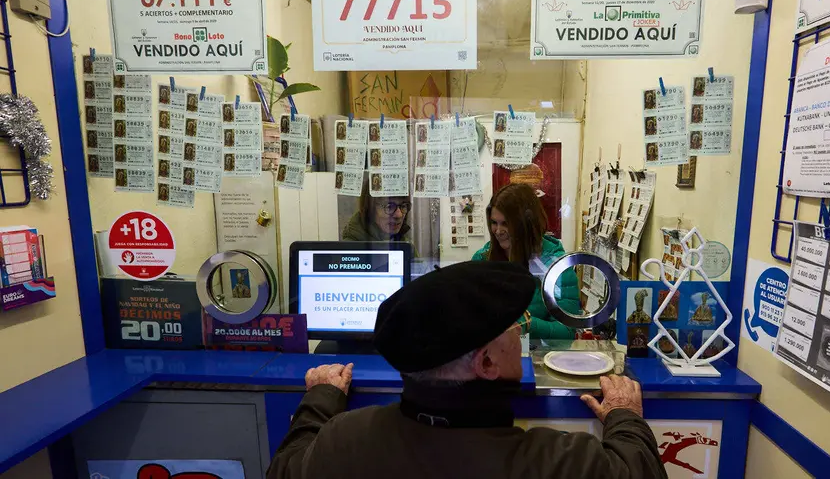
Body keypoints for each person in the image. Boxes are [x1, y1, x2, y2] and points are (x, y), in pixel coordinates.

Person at [267, 261, 666, 479]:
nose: (520, 332)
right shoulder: (560, 462)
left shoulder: (344, 441)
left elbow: (285, 469)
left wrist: (320, 399)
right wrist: (624, 416)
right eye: (513, 327)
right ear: (487, 363)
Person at [471, 183, 580, 339]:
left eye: (506, 223)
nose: (498, 231)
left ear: (526, 224)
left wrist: (526, 323)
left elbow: (567, 332)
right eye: (494, 222)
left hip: (537, 352)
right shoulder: (483, 259)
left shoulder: (556, 267)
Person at [341, 179, 414, 244]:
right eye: (389, 207)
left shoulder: (405, 244)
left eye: (403, 206)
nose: (399, 215)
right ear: (370, 210)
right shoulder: (351, 249)